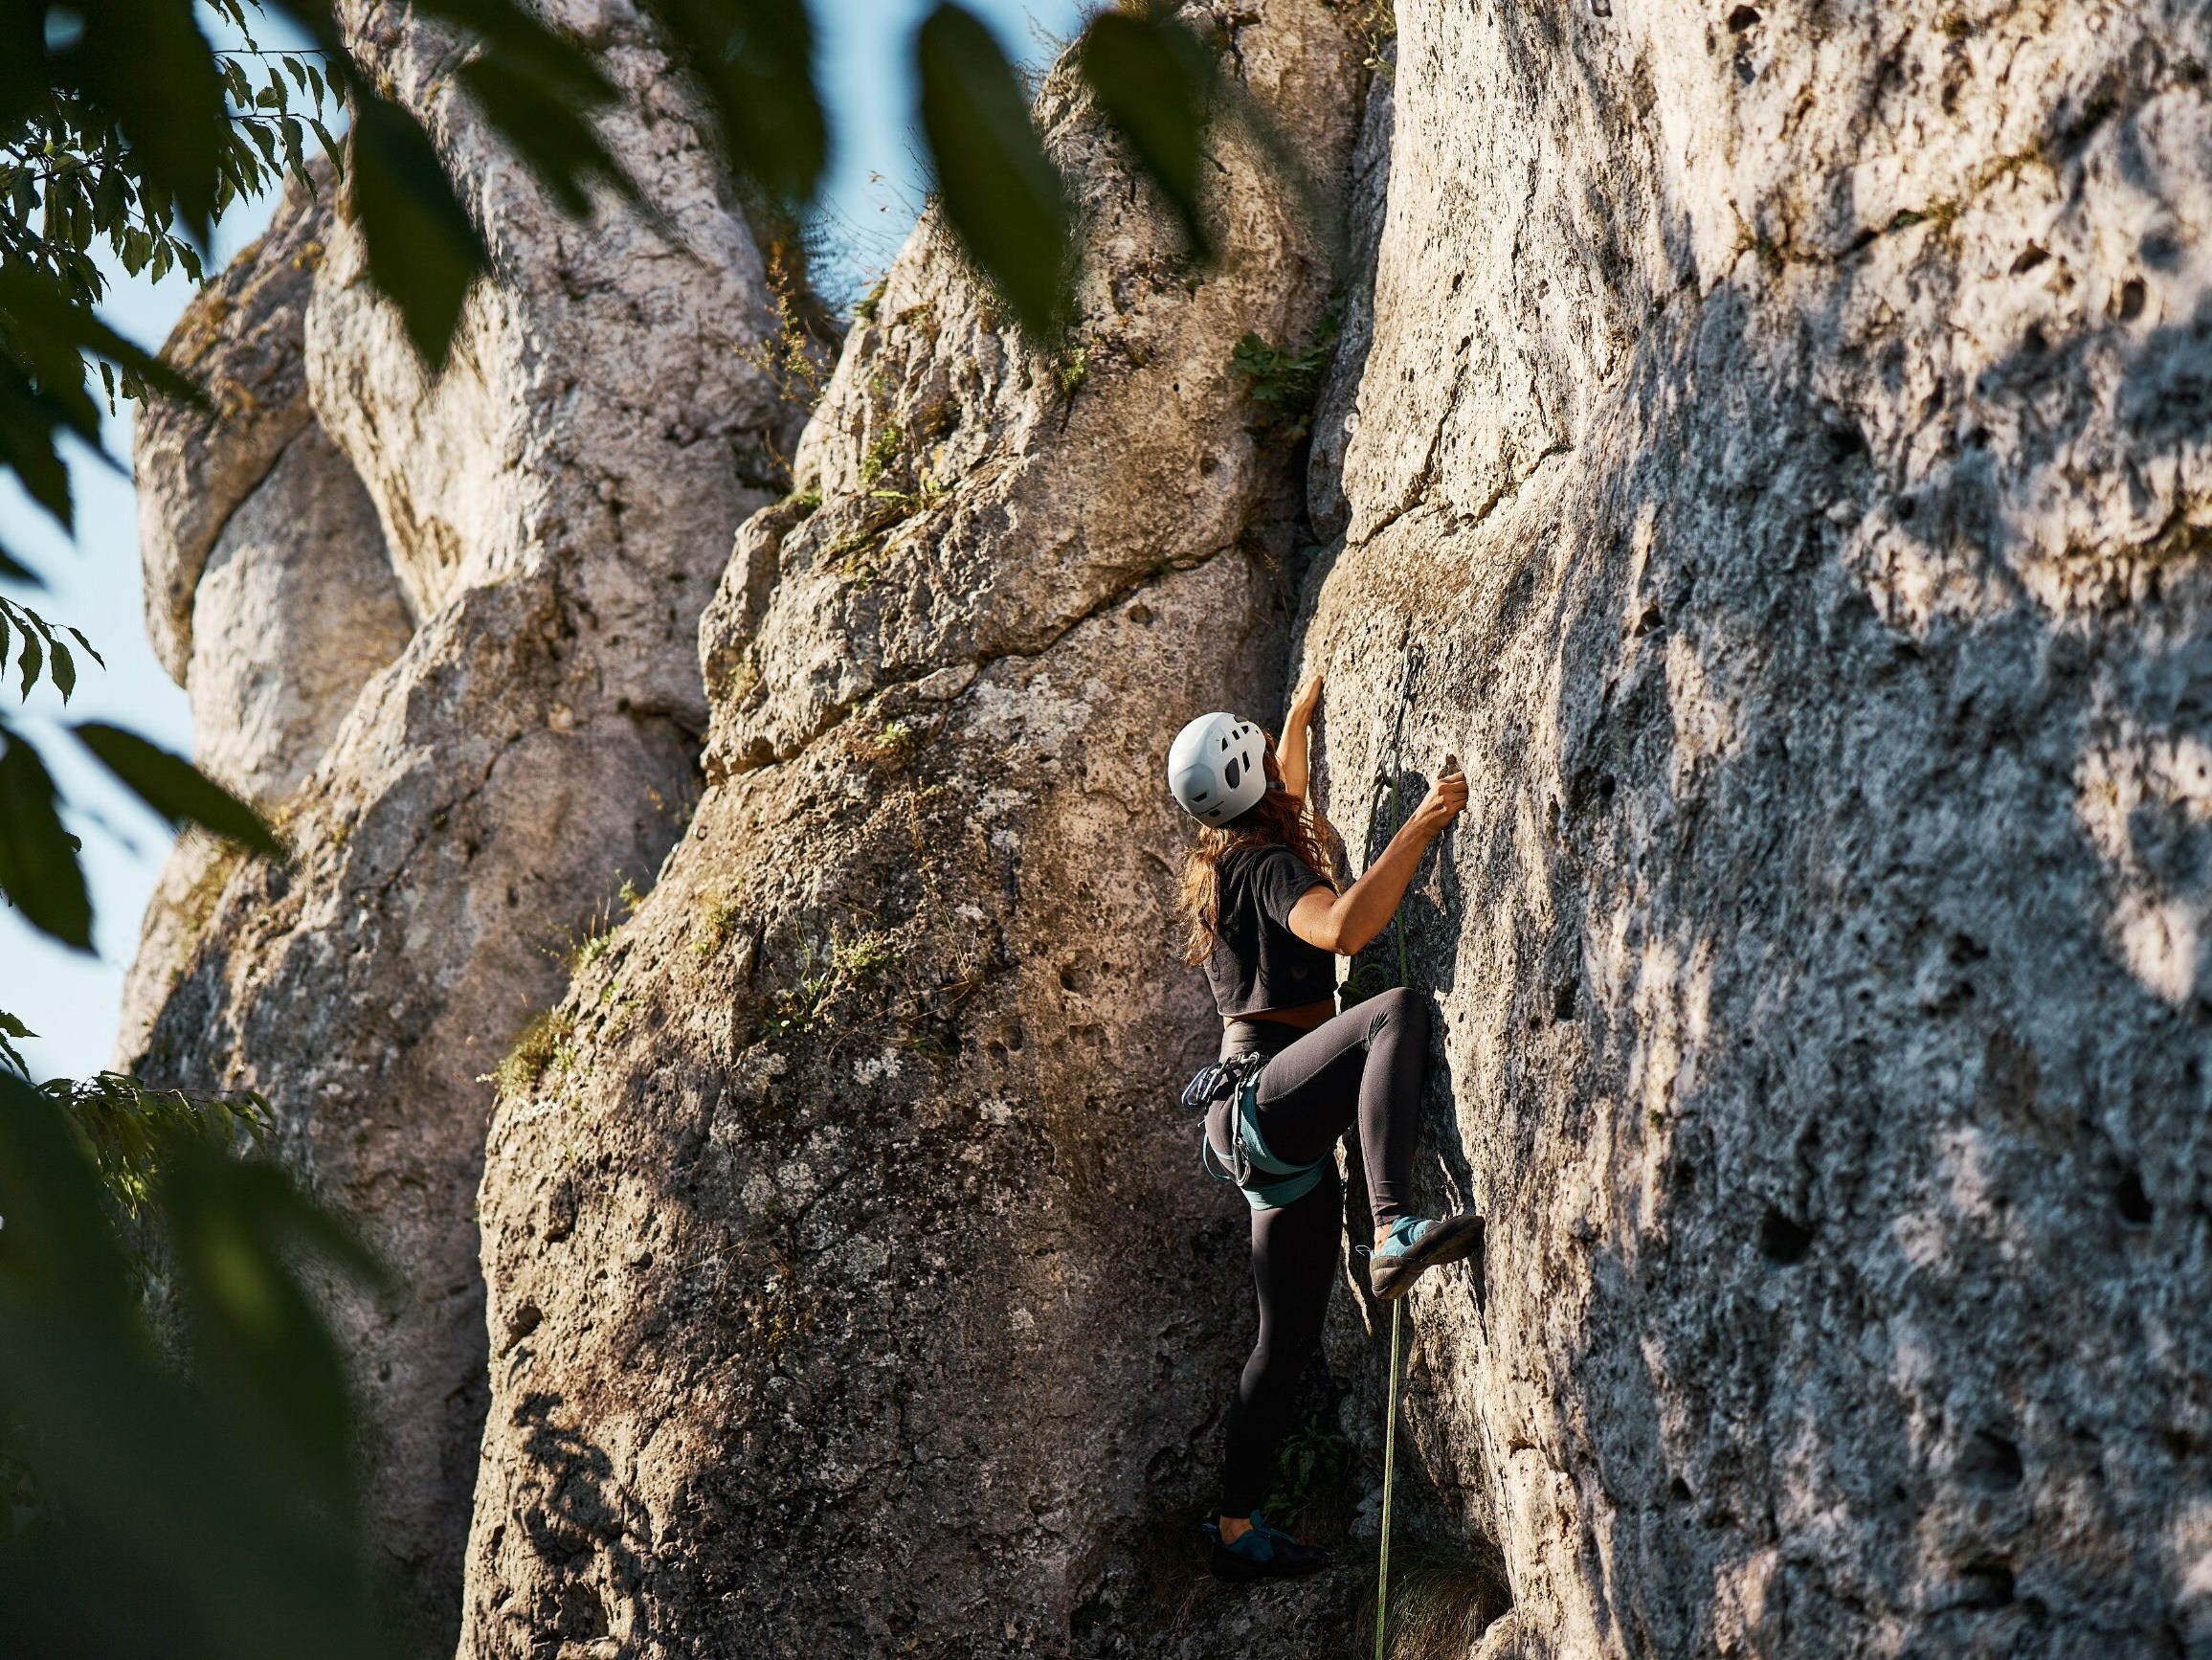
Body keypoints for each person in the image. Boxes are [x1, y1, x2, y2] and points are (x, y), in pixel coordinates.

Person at [1166, 672, 1480, 1583]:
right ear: (1251, 773)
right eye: (1265, 748)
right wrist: (1420, 826)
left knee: (1287, 1340)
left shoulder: (1229, 855)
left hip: (1256, 1130)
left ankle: (1232, 1527)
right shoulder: (1268, 866)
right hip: (1269, 1097)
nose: (1279, 756)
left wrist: (1298, 720)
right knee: (1392, 1014)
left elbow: (1285, 791)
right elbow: (1342, 928)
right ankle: (1391, 1226)